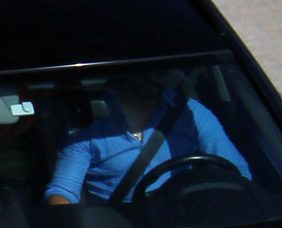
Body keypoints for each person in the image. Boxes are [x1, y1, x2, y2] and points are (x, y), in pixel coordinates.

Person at [45, 73, 249, 204]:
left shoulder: (191, 113)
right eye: (142, 68)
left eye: (157, 67)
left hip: (185, 222)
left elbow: (235, 172)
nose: (151, 74)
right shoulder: (91, 123)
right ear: (121, 68)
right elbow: (63, 192)